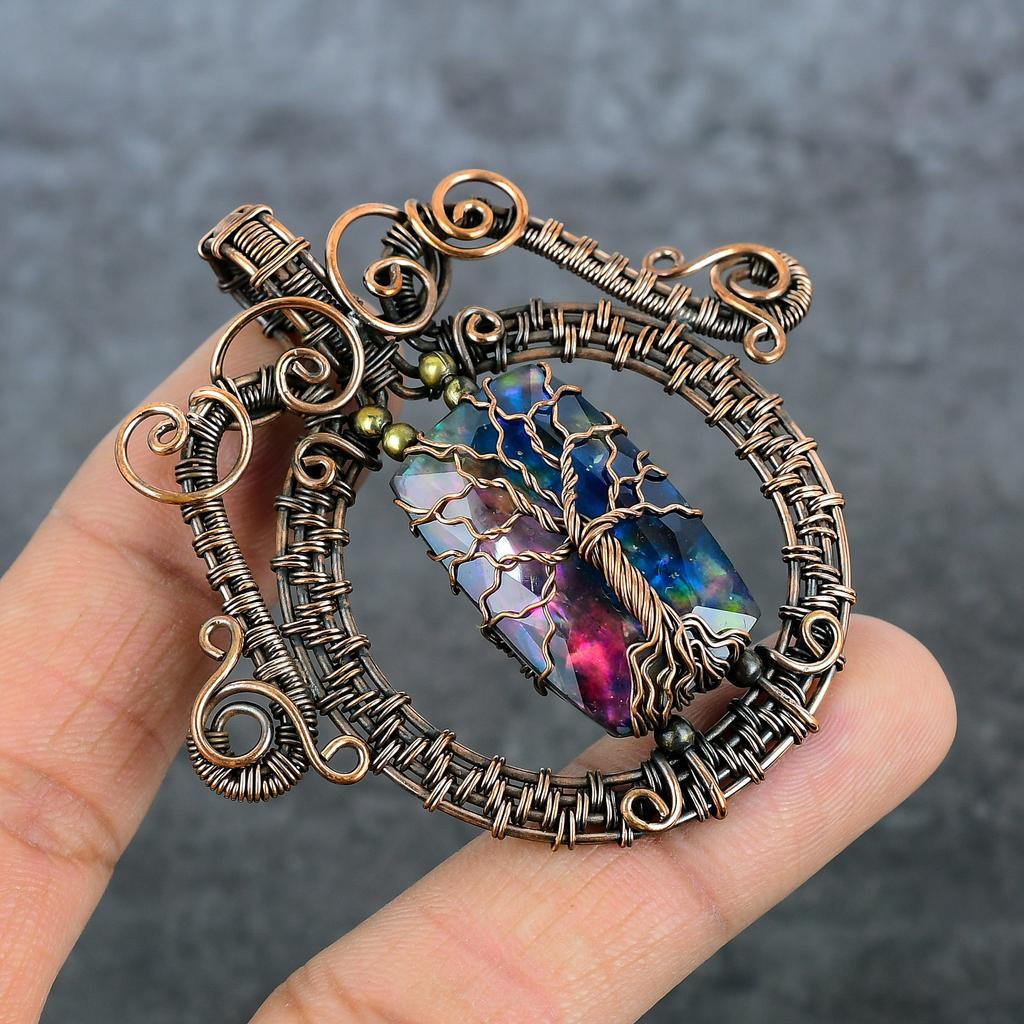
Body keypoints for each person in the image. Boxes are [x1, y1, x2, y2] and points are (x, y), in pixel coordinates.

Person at [0, 323, 956, 1023]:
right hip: (626, 644)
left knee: (598, 528)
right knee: (519, 541)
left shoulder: (508, 423)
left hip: (676, 605)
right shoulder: (438, 484)